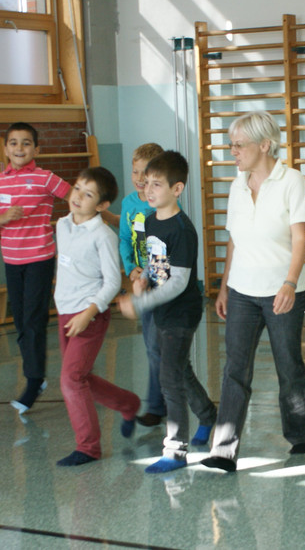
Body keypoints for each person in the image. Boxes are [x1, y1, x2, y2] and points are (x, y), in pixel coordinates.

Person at [202, 110, 305, 473]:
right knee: (235, 368)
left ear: (265, 145)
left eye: (239, 145)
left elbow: (300, 239)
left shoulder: (291, 181)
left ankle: (301, 435)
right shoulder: (236, 185)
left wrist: (289, 283)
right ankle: (223, 450)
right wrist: (224, 287)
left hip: (283, 290)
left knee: (289, 365)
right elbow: (233, 240)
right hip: (241, 291)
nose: (232, 151)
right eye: (231, 144)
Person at [118, 151, 217, 474]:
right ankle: (207, 414)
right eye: (146, 183)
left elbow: (178, 282)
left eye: (156, 184)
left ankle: (175, 450)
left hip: (181, 312)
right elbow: (157, 265)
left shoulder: (183, 230)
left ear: (177, 189)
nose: (148, 189)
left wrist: (139, 304)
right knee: (178, 368)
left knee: (169, 377)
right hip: (162, 308)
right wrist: (144, 279)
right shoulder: (150, 221)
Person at [52, 167, 142, 466]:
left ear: (102, 205)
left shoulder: (103, 235)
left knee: (70, 379)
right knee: (80, 377)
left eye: (88, 194)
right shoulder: (62, 225)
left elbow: (113, 283)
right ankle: (128, 403)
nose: (78, 196)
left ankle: (88, 447)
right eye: (77, 188)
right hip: (65, 312)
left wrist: (87, 314)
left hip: (89, 316)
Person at [0, 122, 70, 414]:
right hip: (12, 262)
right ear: (6, 149)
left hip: (39, 260)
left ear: (36, 149)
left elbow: (77, 198)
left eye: (26, 143)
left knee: (33, 321)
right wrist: (4, 217)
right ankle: (35, 375)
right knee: (20, 322)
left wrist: (100, 219)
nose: (20, 148)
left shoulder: (45, 178)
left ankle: (34, 380)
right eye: (14, 143)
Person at [119, 142, 167, 427]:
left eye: (145, 174)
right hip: (141, 282)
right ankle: (158, 405)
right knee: (152, 346)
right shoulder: (128, 203)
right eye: (135, 171)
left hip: (161, 282)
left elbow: (163, 249)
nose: (139, 179)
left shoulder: (161, 203)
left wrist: (149, 276)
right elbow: (125, 239)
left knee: (159, 346)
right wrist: (131, 269)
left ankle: (162, 403)